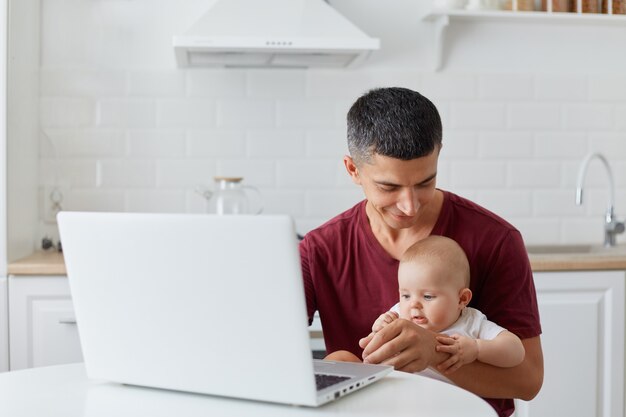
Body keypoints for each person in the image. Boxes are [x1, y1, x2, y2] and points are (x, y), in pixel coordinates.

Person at [299, 87, 543, 417]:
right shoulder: (319, 250)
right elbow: (265, 351)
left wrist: (435, 355)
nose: (410, 205)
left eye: (425, 182)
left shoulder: (496, 240)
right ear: (353, 170)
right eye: (389, 187)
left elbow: (528, 380)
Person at [325, 235, 526, 384]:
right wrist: (380, 327)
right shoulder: (401, 314)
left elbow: (516, 351)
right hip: (395, 391)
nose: (413, 305)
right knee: (340, 358)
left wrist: (477, 349)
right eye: (405, 295)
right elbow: (377, 348)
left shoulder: (471, 323)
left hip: (439, 402)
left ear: (462, 299)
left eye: (428, 296)